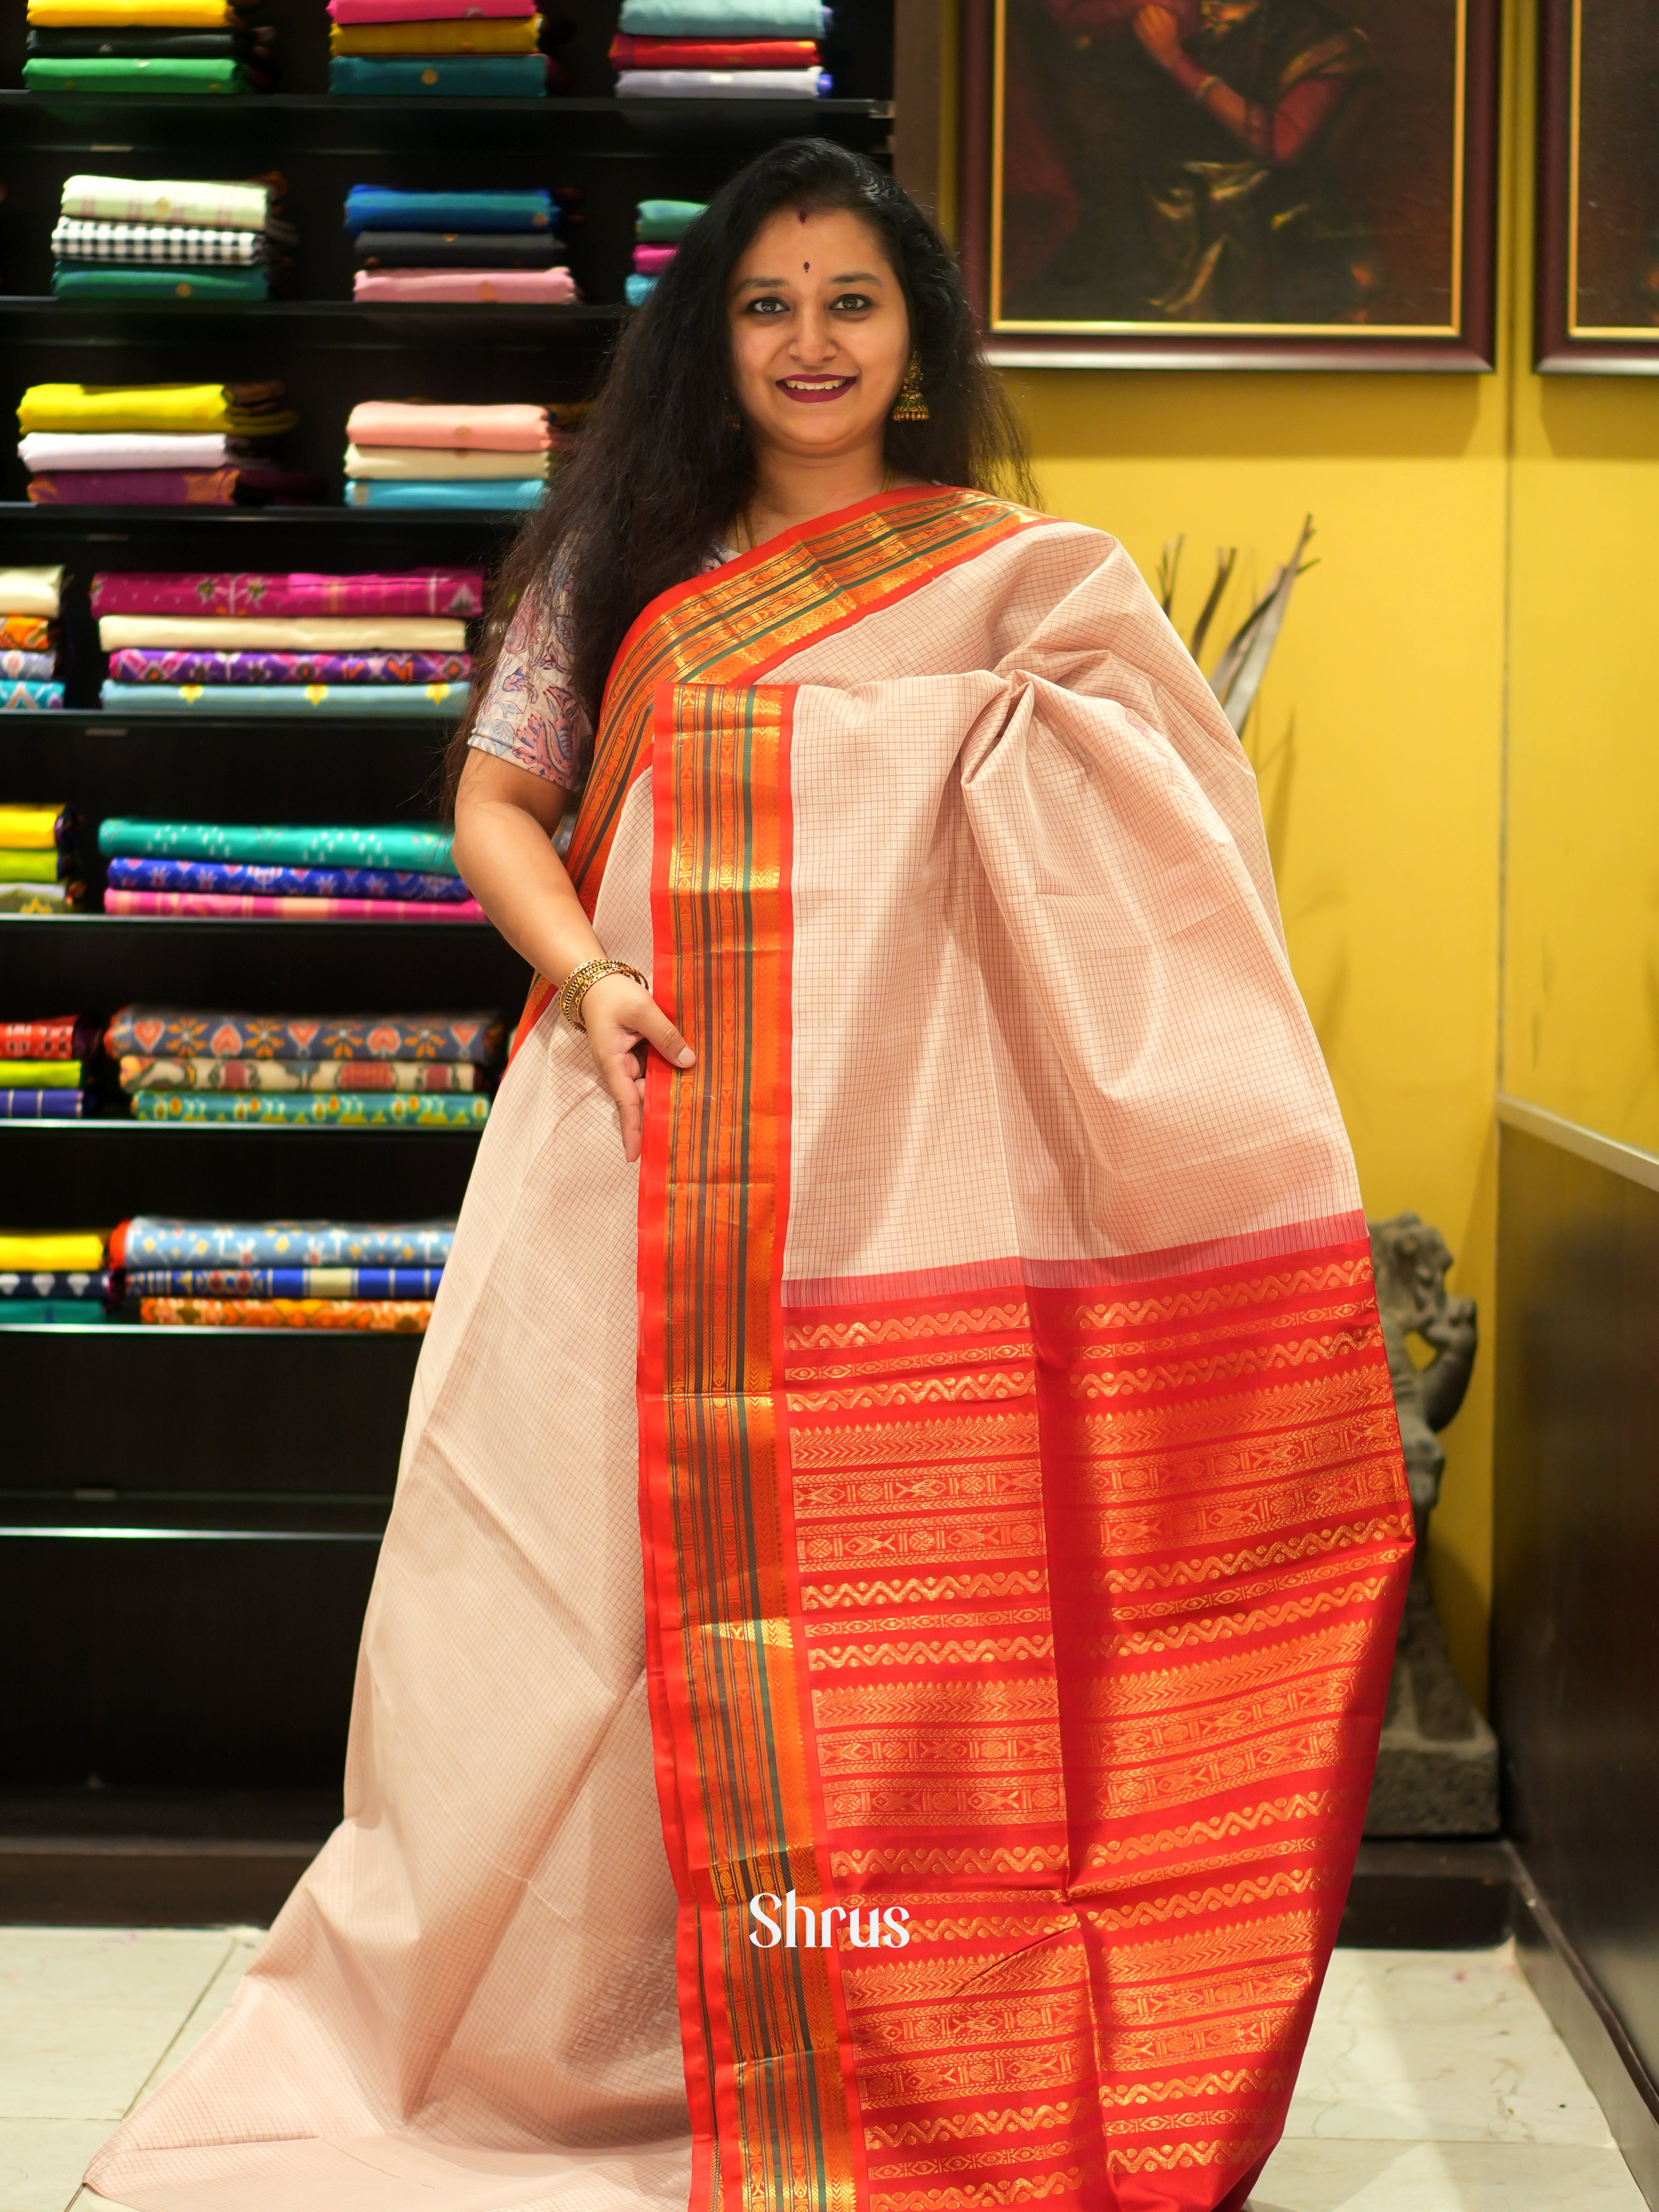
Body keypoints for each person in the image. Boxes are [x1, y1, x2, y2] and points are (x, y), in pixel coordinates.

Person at [86, 138, 1412, 2212]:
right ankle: (614, 2029)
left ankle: (887, 2014)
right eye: (768, 304)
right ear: (714, 337)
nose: (811, 343)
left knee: (906, 1621)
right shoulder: (615, 561)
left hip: (918, 1207)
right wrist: (590, 968)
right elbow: (498, 810)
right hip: (641, 1137)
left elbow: (1163, 836)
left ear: (917, 339)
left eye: (851, 302)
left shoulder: (1016, 579)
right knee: (575, 1611)